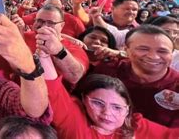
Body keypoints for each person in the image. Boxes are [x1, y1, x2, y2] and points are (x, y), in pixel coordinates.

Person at [41, 53, 179, 139]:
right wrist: (44, 53)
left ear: (127, 110)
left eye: (117, 107)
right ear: (83, 99)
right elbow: (53, 88)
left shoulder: (136, 125)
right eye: (98, 103)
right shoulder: (75, 121)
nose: (107, 113)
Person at [93, 25, 179, 127]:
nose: (153, 56)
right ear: (126, 50)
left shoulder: (176, 85)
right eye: (143, 49)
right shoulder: (107, 71)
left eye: (162, 51)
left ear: (172, 54)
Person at [0, 5, 89, 85]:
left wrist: (59, 51)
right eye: (40, 21)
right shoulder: (23, 36)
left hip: (51, 103)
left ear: (61, 25)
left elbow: (75, 76)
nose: (44, 26)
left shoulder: (73, 47)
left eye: (50, 22)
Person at [20, 0, 85, 38]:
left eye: (56, 8)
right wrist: (21, 9)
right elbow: (18, 23)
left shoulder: (74, 20)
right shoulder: (38, 15)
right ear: (43, 6)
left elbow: (84, 37)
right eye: (48, 7)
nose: (51, 10)